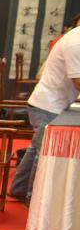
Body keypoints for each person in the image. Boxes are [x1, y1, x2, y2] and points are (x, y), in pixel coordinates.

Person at [9, 25, 80, 203]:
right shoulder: (75, 42)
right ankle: (33, 199)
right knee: (44, 154)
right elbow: (78, 81)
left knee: (36, 149)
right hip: (47, 105)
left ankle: (19, 189)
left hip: (50, 103)